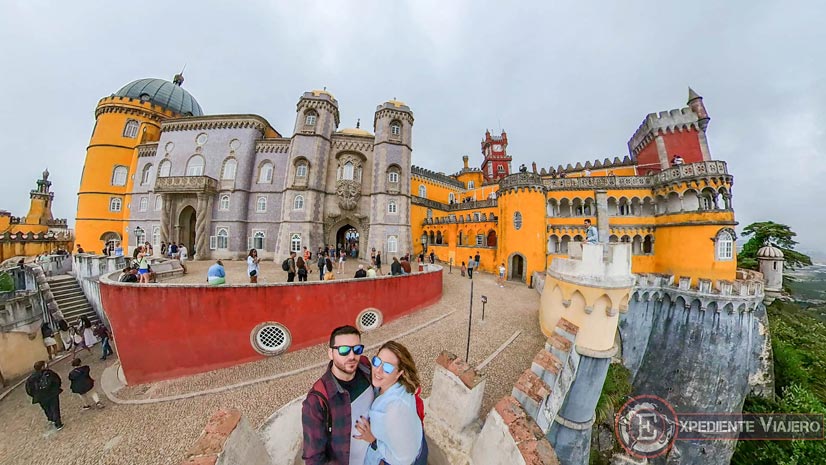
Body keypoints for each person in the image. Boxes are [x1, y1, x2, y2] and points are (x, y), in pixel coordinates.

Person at [302, 326, 374, 465]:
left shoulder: (365, 366)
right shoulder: (317, 399)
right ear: (331, 353)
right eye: (344, 350)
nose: (352, 356)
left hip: (375, 456)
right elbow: (314, 456)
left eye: (357, 349)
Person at [355, 341, 427, 465]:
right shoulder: (399, 386)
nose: (378, 370)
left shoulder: (393, 412)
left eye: (387, 368)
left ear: (399, 373)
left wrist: (373, 440)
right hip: (417, 442)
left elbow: (404, 459)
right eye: (377, 361)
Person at [25, 361, 64, 430]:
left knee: (46, 408)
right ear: (42, 367)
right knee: (54, 408)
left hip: (40, 396)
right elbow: (57, 380)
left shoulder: (31, 378)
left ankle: (51, 419)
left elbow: (29, 389)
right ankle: (58, 423)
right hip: (51, 393)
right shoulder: (49, 373)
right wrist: (56, 389)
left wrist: (35, 395)